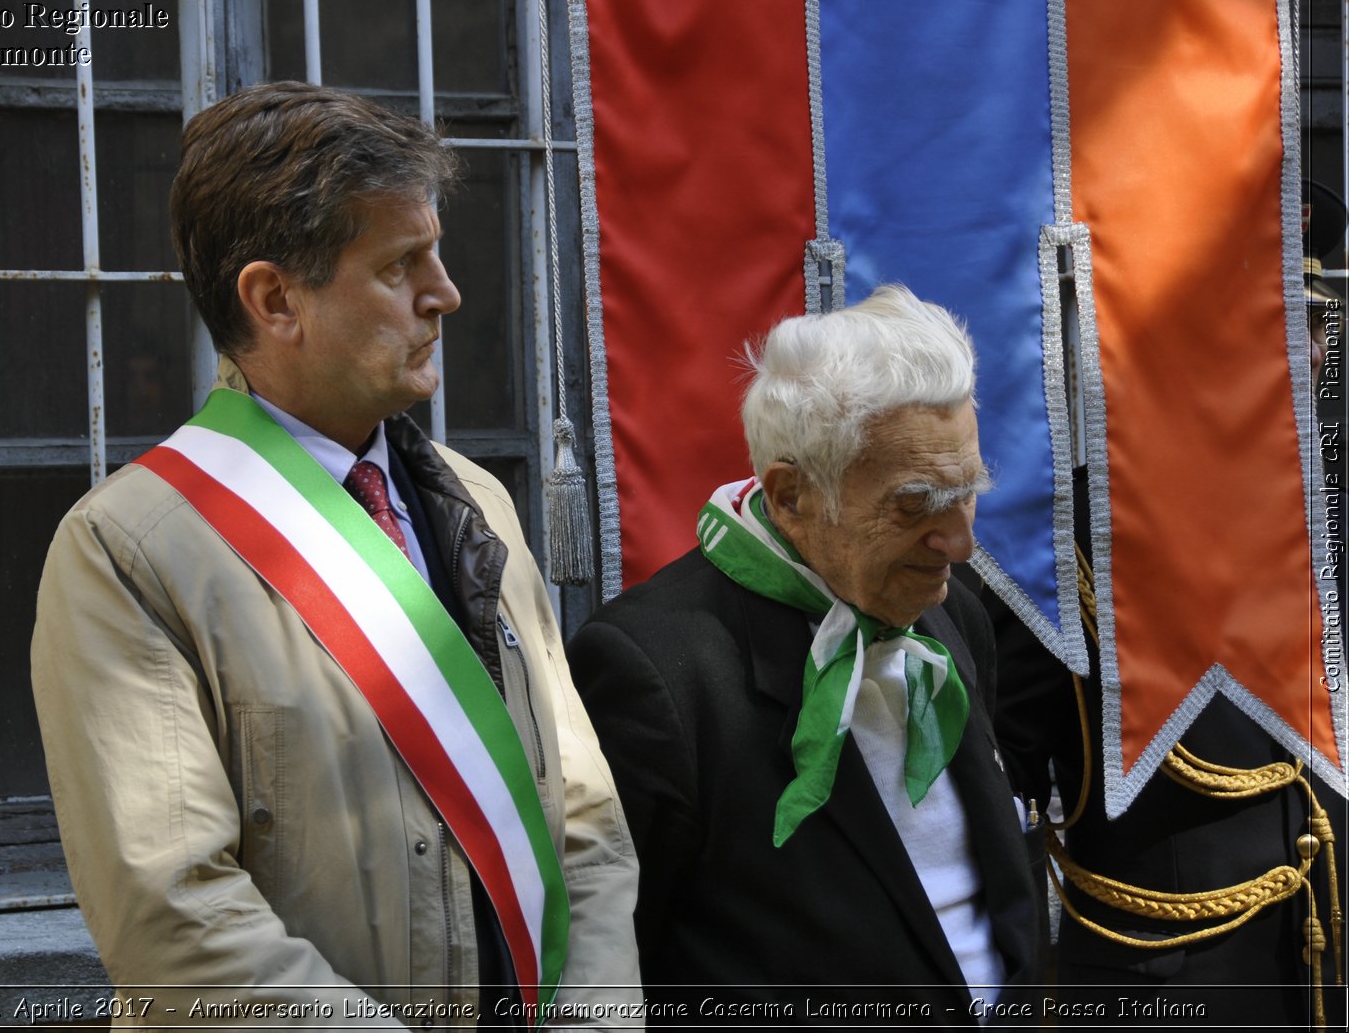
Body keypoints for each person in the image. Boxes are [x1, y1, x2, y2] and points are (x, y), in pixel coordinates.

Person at [30, 81, 641, 1027]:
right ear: (276, 300)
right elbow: (174, 916)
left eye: (435, 252)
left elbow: (585, 822)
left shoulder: (477, 502)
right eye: (402, 264)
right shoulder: (127, 551)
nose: (447, 292)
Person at [567, 285, 1048, 1023]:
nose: (960, 541)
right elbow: (608, 972)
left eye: (968, 491)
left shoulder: (953, 611)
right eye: (916, 502)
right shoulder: (653, 672)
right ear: (791, 495)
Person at [982, 180, 1348, 1030]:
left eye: (1318, 324)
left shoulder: (1321, 517)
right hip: (1166, 989)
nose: (1311, 351)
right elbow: (998, 795)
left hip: (1320, 966)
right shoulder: (1070, 535)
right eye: (1279, 323)